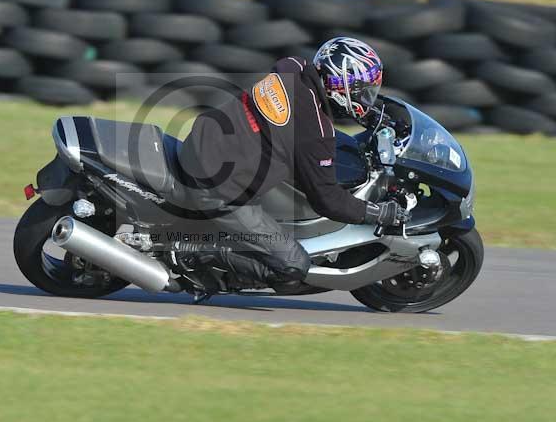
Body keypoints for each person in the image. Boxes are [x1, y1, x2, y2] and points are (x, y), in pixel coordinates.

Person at [175, 36, 410, 292]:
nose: (367, 99)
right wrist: (379, 213)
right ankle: (195, 253)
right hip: (218, 188)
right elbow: (329, 200)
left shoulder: (293, 67)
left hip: (205, 139)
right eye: (364, 92)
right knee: (293, 266)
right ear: (341, 88)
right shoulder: (315, 132)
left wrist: (377, 114)